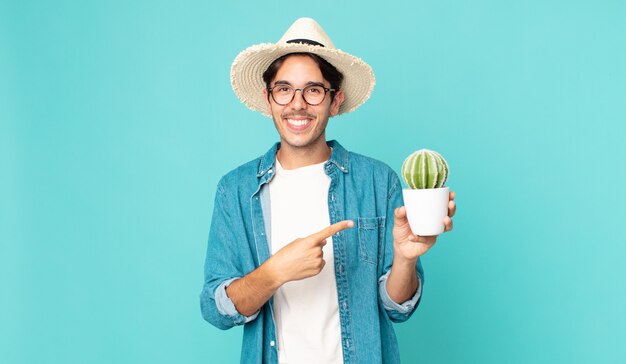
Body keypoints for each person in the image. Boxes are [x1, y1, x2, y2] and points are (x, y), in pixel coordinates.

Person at [200, 18, 456, 364]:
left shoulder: (377, 181)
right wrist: (276, 271)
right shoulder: (236, 190)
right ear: (269, 98)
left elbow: (397, 307)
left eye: (314, 90)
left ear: (335, 101)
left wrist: (406, 259)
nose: (297, 103)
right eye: (284, 88)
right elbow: (216, 309)